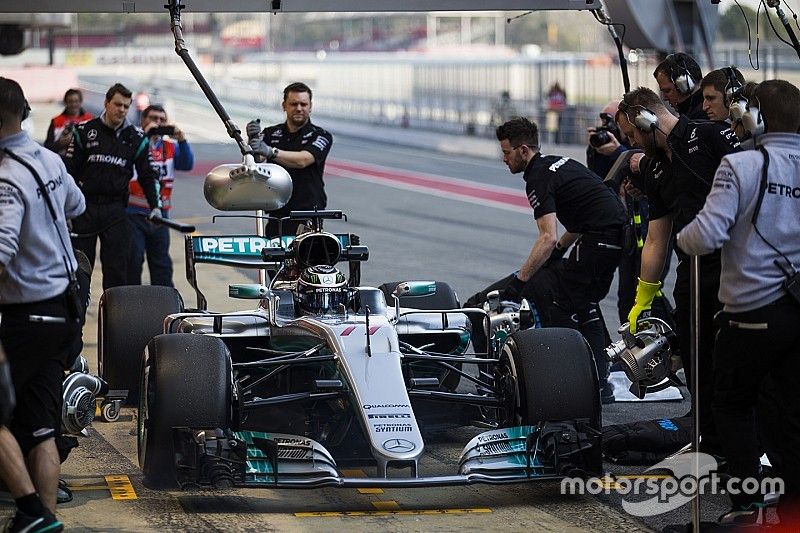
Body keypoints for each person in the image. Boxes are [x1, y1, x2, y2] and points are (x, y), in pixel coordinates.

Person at [677, 79, 800, 526]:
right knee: (791, 413)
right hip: (797, 312)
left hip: (749, 312)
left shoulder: (740, 164)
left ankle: (747, 505)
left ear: (755, 118)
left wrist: (683, 236)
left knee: (731, 404)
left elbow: (705, 236)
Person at [466, 117, 628, 403]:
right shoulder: (558, 163)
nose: (504, 159)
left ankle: (573, 382)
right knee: (585, 303)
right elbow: (578, 221)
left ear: (523, 150)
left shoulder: (538, 177)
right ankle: (599, 385)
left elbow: (547, 237)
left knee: (562, 305)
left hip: (600, 238)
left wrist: (518, 284)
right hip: (615, 236)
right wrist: (558, 254)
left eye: (507, 152)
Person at [616, 87, 741, 452]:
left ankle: (747, 443)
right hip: (694, 272)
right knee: (696, 361)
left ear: (646, 119)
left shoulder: (711, 134)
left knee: (734, 361)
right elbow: (657, 237)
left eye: (632, 133)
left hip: (737, 265)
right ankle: (708, 441)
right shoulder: (655, 168)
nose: (631, 142)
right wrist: (643, 298)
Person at [0, 76, 86, 532]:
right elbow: (77, 203)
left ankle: (31, 510)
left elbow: (1, 250)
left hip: (27, 317)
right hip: (64, 311)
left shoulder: (6, 177)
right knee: (41, 428)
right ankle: (44, 522)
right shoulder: (49, 159)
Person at [64, 83, 161, 290]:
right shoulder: (84, 131)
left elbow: (148, 175)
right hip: (84, 209)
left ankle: (113, 311)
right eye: (117, 104)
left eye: (126, 106)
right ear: (106, 103)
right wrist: (64, 209)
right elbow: (68, 173)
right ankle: (77, 310)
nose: (122, 110)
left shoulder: (136, 138)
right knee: (79, 271)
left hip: (116, 211)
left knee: (117, 272)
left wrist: (155, 206)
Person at [246, 82, 333, 238]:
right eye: (293, 104)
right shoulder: (271, 133)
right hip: (277, 211)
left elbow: (303, 160)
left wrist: (271, 151)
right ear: (284, 106)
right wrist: (252, 140)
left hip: (308, 213)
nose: (299, 108)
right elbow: (256, 161)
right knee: (274, 253)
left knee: (306, 254)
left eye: (303, 104)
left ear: (310, 106)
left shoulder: (321, 135)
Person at [127, 104, 194, 287]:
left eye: (162, 120)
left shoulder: (170, 147)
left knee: (161, 264)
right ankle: (132, 299)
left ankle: (163, 300)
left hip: (161, 217)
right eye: (153, 118)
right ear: (143, 120)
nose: (157, 123)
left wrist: (182, 140)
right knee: (133, 261)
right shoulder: (134, 141)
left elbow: (187, 164)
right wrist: (146, 135)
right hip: (134, 214)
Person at [652, 52, 706, 120]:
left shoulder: (702, 117)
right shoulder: (692, 113)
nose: (665, 98)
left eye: (667, 91)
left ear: (684, 84)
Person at [43, 89, 93, 157]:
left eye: (76, 101)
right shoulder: (56, 121)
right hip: (62, 160)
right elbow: (47, 147)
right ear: (65, 102)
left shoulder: (90, 119)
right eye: (70, 101)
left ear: (80, 102)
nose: (73, 104)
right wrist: (60, 143)